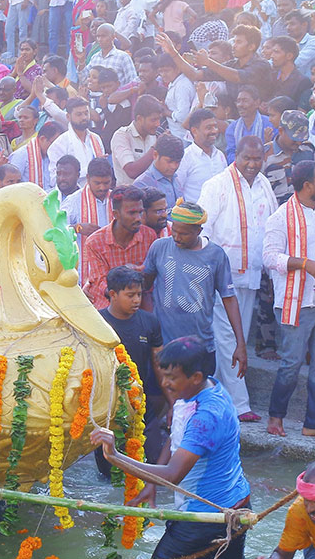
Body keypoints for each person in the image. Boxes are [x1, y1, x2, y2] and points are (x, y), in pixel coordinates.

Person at [91, 335, 251, 559]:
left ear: (195, 377)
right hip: (235, 504)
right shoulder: (204, 389)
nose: (164, 383)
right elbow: (178, 437)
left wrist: (114, 456)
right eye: (163, 374)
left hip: (207, 517)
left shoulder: (206, 416)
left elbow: (172, 475)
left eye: (172, 377)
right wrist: (151, 485)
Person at [263, 162, 315, 441]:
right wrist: (304, 264)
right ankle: (276, 417)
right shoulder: (280, 216)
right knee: (291, 363)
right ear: (307, 185)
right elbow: (269, 258)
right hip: (295, 302)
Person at [198, 135, 276, 421]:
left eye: (258, 159)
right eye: (248, 159)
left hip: (252, 274)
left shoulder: (264, 185)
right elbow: (202, 230)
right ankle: (239, 404)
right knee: (229, 335)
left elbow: (272, 225)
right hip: (223, 275)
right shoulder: (216, 185)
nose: (253, 165)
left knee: (233, 334)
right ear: (236, 156)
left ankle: (213, 396)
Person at [143, 200, 247, 383]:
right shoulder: (159, 248)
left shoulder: (216, 255)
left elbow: (229, 298)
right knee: (162, 397)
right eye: (174, 230)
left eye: (184, 233)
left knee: (197, 395)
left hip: (200, 345)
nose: (176, 237)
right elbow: (146, 286)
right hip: (164, 344)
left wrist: (240, 343)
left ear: (198, 231)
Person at [99, 266, 166, 462]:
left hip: (141, 403)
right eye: (130, 295)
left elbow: (159, 364)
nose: (137, 300)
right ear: (113, 294)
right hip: (108, 407)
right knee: (109, 470)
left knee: (155, 462)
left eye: (139, 294)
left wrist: (173, 403)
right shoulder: (98, 323)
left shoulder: (149, 322)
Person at [81, 186, 157, 309]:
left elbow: (151, 279)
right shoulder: (95, 242)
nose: (138, 218)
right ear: (115, 214)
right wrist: (126, 275)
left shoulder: (149, 236)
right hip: (107, 303)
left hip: (138, 302)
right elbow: (102, 283)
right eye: (132, 213)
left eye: (140, 212)